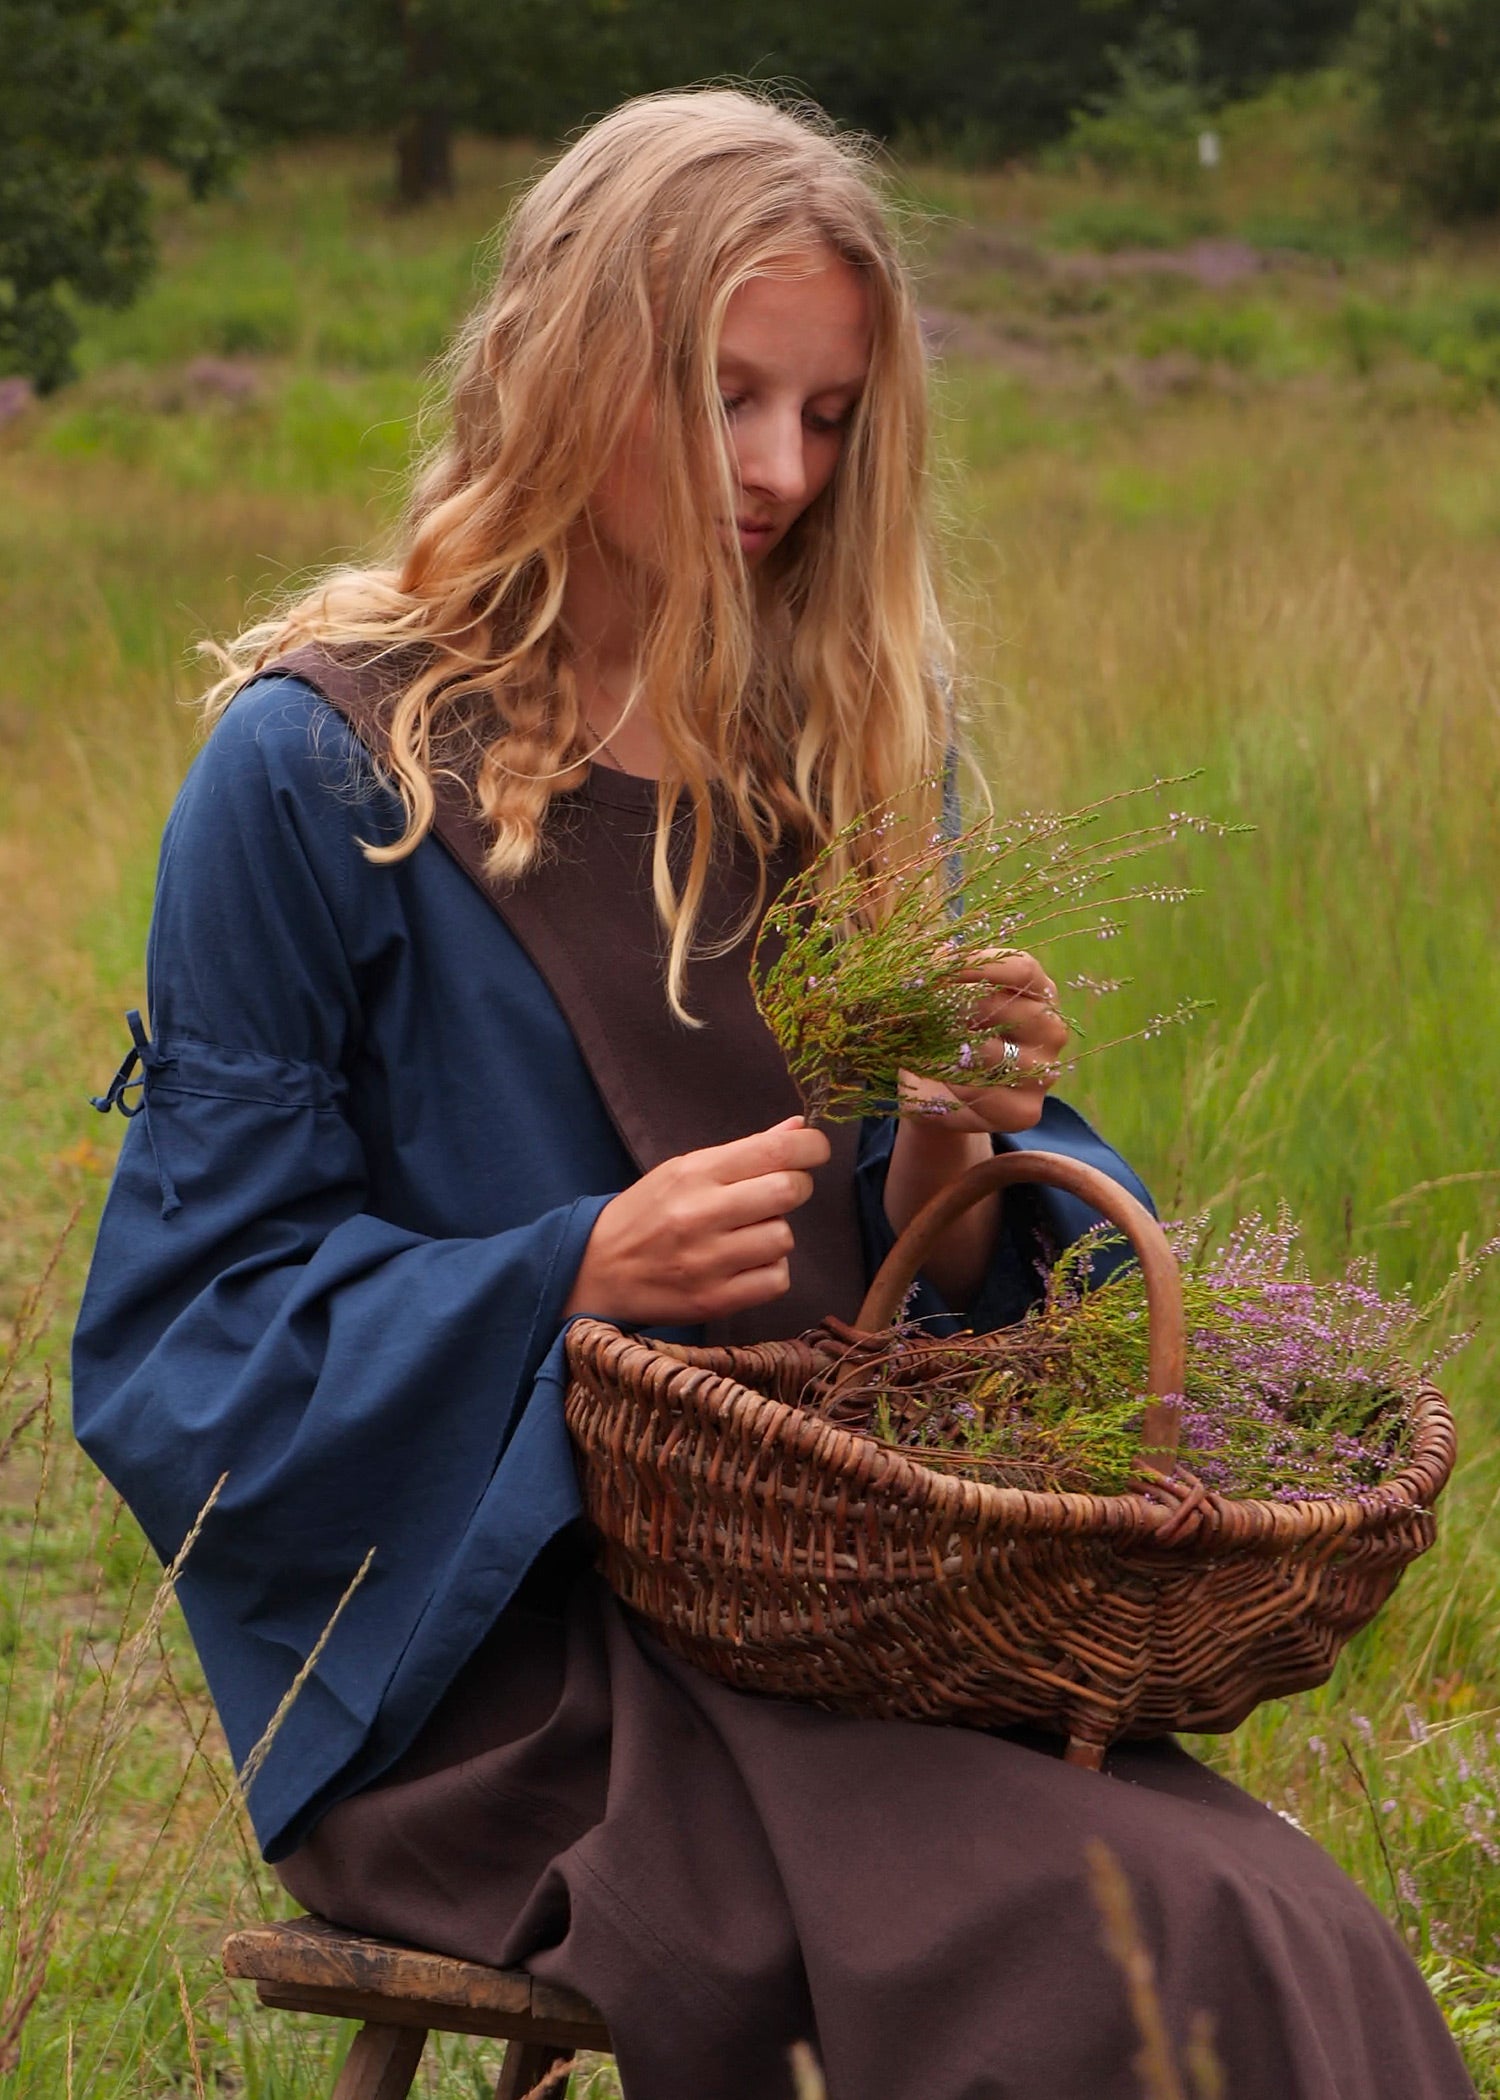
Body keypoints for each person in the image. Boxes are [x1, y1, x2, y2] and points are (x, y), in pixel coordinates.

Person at [73, 88, 1472, 2100]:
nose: (779, 471)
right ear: (570, 363)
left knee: (1278, 1915)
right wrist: (570, 1272)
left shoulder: (852, 748)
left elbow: (930, 1331)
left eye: (826, 418)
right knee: (1123, 1935)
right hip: (515, 1677)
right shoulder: (318, 781)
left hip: (845, 1620)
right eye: (725, 398)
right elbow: (184, 1350)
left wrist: (959, 1165)